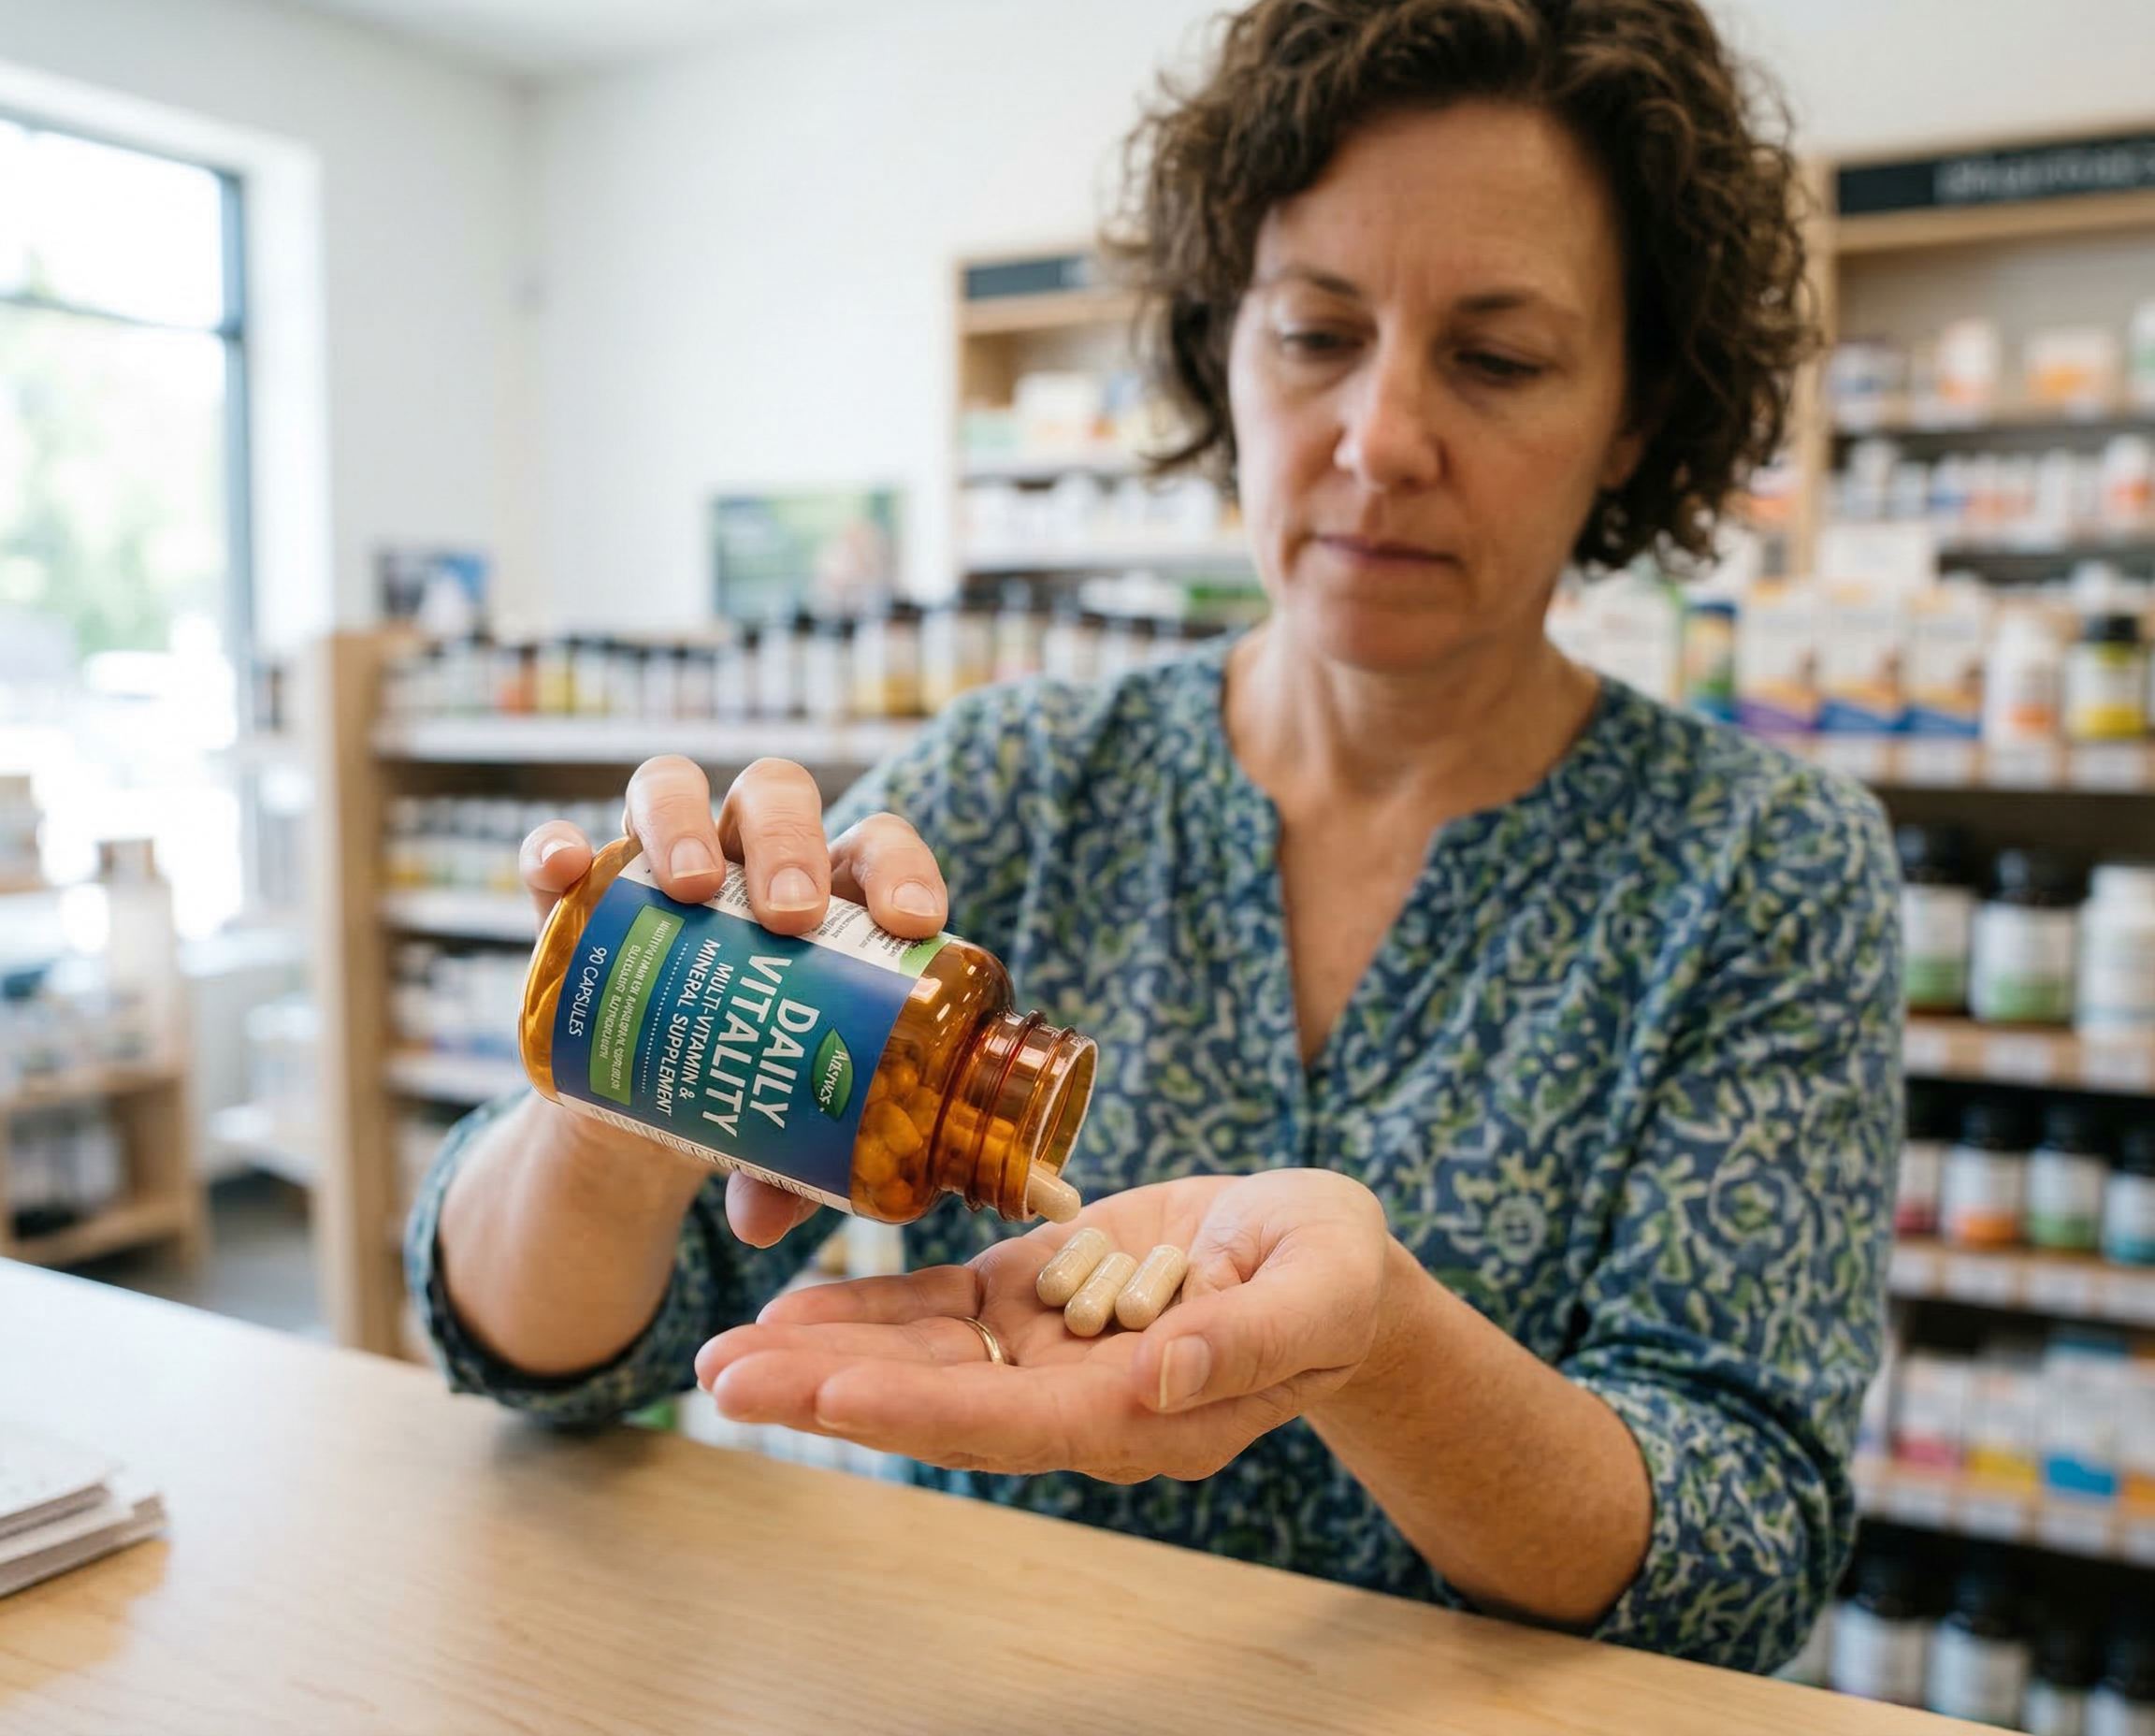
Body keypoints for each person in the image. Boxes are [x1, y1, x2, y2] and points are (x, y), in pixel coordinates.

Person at [409, 0, 1899, 1672]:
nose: (1379, 440)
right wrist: (627, 1089)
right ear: (1220, 345)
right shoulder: (1024, 779)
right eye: (1316, 334)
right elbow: (530, 1356)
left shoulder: (1764, 866)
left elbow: (1743, 1549)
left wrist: (1383, 1352)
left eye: (1497, 360)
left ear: (1637, 410)